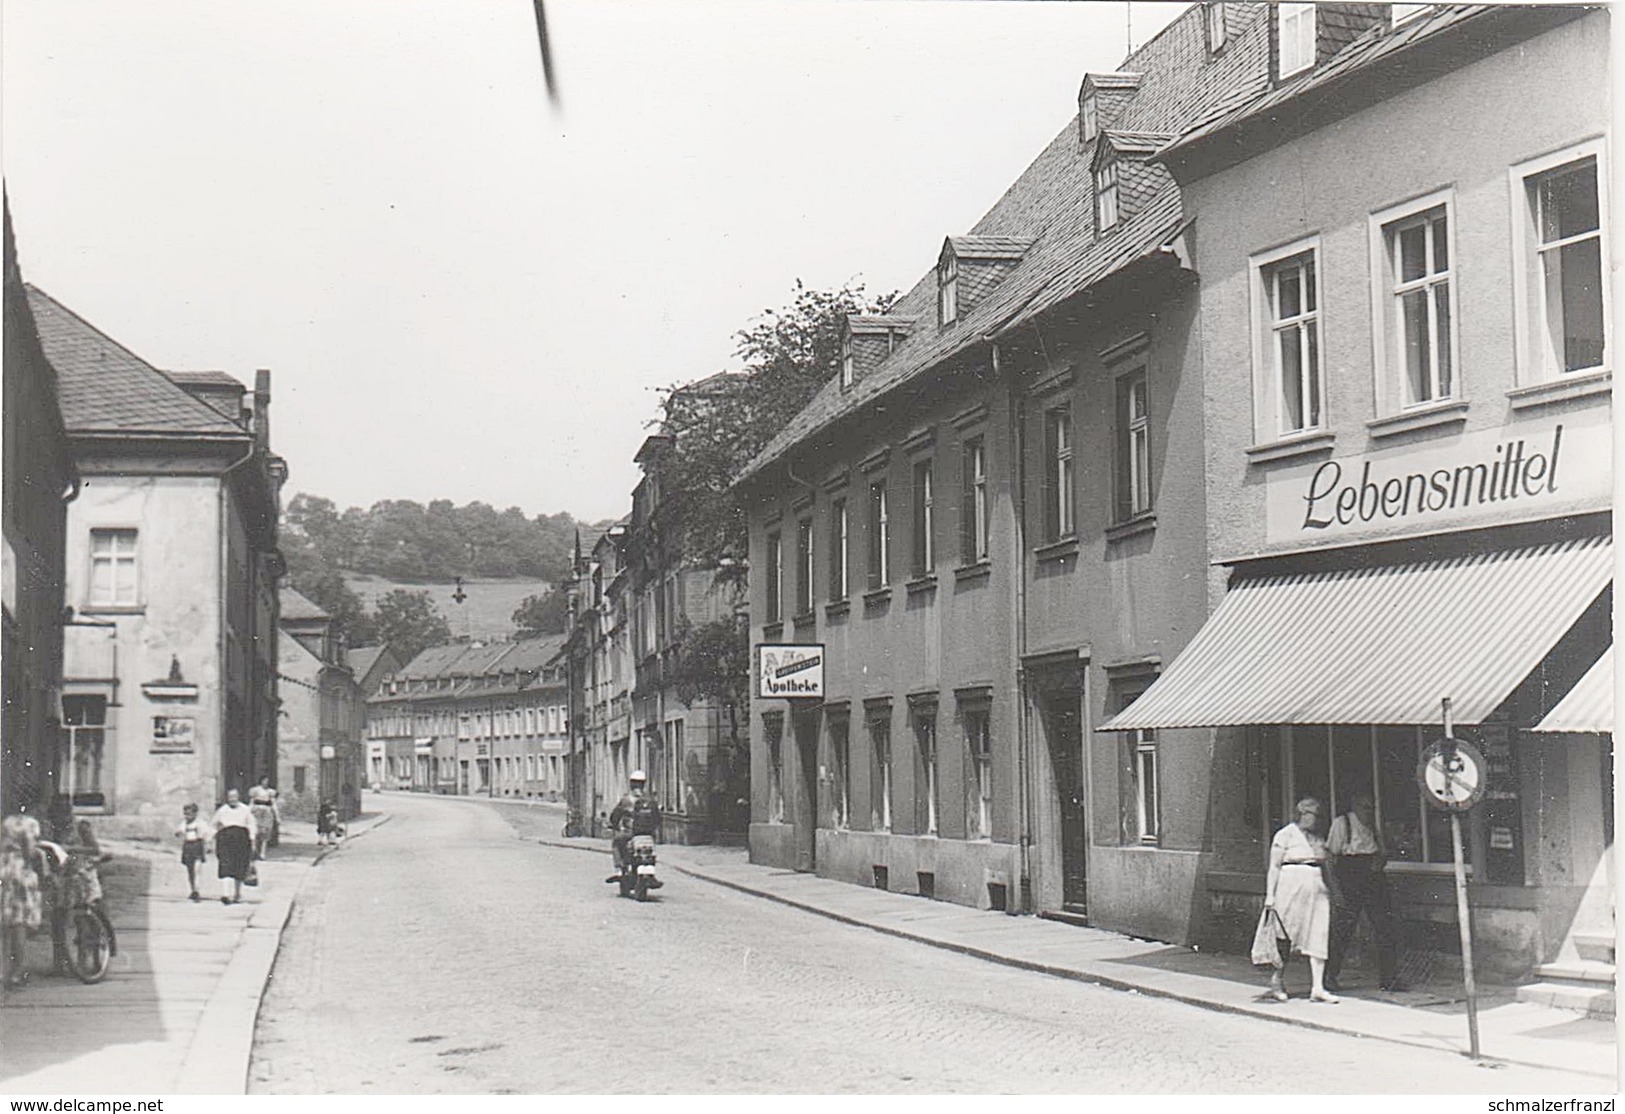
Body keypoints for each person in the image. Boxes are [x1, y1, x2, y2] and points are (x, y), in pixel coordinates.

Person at [1326, 788, 1406, 992]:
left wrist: (1379, 862)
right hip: (1349, 875)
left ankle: (1389, 978)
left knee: (1385, 927)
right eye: (1365, 807)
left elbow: (1382, 851)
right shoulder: (1342, 823)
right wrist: (1335, 890)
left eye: (1372, 808)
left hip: (1373, 876)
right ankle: (1329, 976)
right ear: (1354, 805)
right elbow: (1330, 858)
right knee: (1343, 929)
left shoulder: (1372, 825)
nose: (1368, 812)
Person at [1264, 796, 1339, 1003]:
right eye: (1312, 815)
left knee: (1319, 933)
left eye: (1319, 816)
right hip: (1290, 885)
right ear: (1301, 814)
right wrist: (1270, 895)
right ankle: (1277, 980)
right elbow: (1274, 866)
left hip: (1317, 887)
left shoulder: (1318, 838)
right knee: (1286, 934)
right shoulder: (1285, 835)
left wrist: (1334, 891)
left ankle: (1317, 987)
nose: (1316, 820)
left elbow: (1327, 868)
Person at [1, 815, 44, 989]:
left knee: (6, 919)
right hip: (20, 869)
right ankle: (18, 970)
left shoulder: (7, 822)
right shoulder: (31, 823)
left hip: (4, 867)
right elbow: (30, 850)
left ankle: (4, 970)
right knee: (19, 922)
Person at [604, 770, 661, 885]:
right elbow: (657, 818)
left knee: (616, 842)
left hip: (630, 833)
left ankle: (619, 869)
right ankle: (651, 874)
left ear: (631, 783)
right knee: (650, 850)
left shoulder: (626, 800)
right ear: (643, 784)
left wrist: (613, 825)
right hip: (647, 834)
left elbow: (615, 816)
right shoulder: (650, 800)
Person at [211, 789, 257, 905]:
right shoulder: (223, 810)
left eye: (234, 797)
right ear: (227, 798)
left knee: (239, 866)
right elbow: (214, 824)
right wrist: (211, 839)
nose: (232, 799)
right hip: (226, 839)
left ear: (238, 797)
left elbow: (251, 825)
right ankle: (226, 894)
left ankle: (237, 894)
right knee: (225, 864)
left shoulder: (245, 809)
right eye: (230, 797)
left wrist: (252, 840)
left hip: (241, 838)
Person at [176, 803, 208, 901]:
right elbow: (179, 831)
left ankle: (197, 890)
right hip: (188, 846)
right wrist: (179, 833)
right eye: (185, 814)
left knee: (197, 869)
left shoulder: (200, 823)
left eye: (189, 814)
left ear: (195, 814)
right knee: (190, 870)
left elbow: (205, 834)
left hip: (197, 845)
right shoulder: (184, 823)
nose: (187, 816)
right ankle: (192, 889)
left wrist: (206, 844)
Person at [249, 782, 276, 861]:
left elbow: (273, 804)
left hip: (266, 813)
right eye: (264, 781)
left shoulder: (270, 792)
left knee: (265, 834)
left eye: (267, 781)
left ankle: (262, 853)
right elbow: (251, 802)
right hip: (256, 812)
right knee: (255, 832)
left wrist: (277, 817)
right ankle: (254, 852)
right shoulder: (255, 790)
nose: (265, 783)